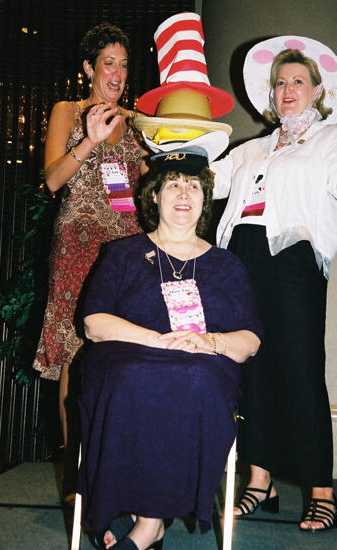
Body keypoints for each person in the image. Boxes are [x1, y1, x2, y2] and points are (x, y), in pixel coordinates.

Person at [78, 145, 262, 550]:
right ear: (154, 197)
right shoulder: (122, 254)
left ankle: (147, 524)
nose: (183, 194)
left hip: (202, 364)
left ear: (205, 199)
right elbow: (94, 324)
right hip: (127, 356)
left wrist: (208, 341)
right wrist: (156, 339)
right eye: (173, 185)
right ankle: (138, 515)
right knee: (131, 376)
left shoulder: (228, 265)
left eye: (194, 186)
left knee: (193, 379)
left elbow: (249, 340)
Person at [211, 35, 337, 531]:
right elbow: (210, 180)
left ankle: (321, 489)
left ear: (316, 90)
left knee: (301, 368)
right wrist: (169, 153)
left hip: (293, 258)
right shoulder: (253, 148)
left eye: (298, 82)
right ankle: (258, 483)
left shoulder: (331, 140)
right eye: (280, 83)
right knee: (252, 367)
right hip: (241, 256)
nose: (287, 90)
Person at [32, 22, 147, 500]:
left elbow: (141, 193)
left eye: (123, 64)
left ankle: (120, 466)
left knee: (126, 354)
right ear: (87, 69)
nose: (117, 72)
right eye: (108, 63)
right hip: (79, 243)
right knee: (75, 358)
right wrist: (92, 141)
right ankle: (76, 477)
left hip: (127, 245)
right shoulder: (68, 110)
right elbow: (54, 179)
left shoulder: (139, 120)